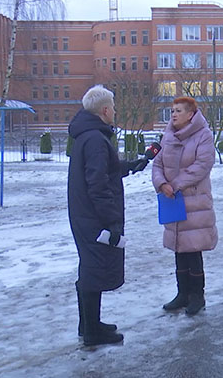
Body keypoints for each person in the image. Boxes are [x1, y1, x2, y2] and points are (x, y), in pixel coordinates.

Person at [67, 85, 148, 346]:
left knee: (91, 268)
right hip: (94, 218)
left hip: (84, 215)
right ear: (104, 110)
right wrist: (112, 221)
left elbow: (103, 172)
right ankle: (92, 332)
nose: (115, 110)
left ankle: (89, 324)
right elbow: (98, 184)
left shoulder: (89, 136)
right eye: (113, 107)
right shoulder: (95, 140)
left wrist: (130, 166)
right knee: (94, 270)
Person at [152, 96, 217, 316]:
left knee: (193, 249)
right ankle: (182, 294)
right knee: (179, 248)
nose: (174, 114)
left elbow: (202, 165)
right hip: (172, 200)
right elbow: (158, 163)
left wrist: (176, 184)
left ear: (191, 114)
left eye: (178, 110)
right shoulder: (168, 135)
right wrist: (161, 184)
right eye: (172, 110)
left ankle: (197, 296)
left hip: (194, 201)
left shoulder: (203, 135)